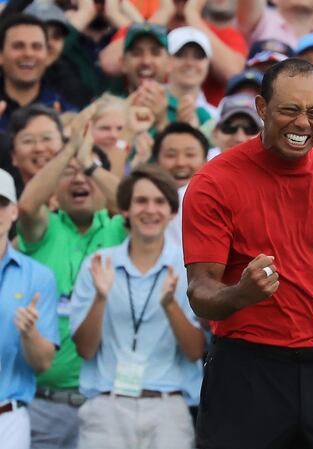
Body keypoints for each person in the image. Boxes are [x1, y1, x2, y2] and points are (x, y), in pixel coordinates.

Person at [182, 58, 313, 449]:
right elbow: (200, 294)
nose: (303, 123)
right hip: (246, 373)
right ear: (262, 108)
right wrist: (240, 294)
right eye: (290, 110)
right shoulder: (215, 183)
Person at [71, 165, 203, 449]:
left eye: (159, 202)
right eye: (141, 201)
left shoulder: (188, 268)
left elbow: (195, 351)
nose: (150, 210)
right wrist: (101, 298)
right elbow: (84, 349)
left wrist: (170, 306)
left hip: (168, 408)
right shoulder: (98, 264)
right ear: (126, 210)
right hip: (107, 406)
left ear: (171, 212)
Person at [16, 122, 127, 449]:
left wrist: (87, 161)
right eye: (69, 172)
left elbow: (133, 203)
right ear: (53, 187)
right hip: (44, 404)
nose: (80, 179)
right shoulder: (43, 228)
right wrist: (68, 151)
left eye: (89, 172)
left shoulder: (120, 228)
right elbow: (25, 206)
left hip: (107, 403)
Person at [0, 168, 59, 449]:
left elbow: (43, 362)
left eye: (0, 204)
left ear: (13, 212)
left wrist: (30, 334)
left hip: (7, 417)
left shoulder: (38, 276)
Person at [0, 14, 76, 129]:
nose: (28, 53)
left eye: (36, 47)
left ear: (47, 56)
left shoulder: (67, 115)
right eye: (18, 46)